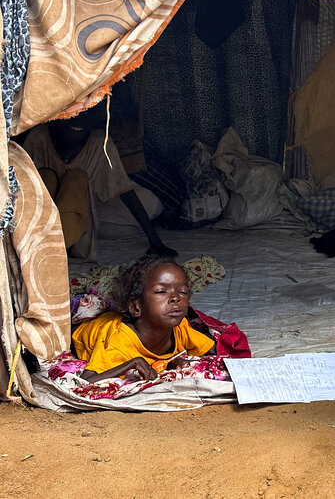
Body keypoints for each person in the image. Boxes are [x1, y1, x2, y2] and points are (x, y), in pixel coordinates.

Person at [22, 115, 176, 259]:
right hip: (43, 221)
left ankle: (68, 242)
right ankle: (50, 245)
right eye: (71, 113)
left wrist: (155, 241)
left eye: (85, 112)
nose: (78, 119)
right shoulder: (39, 137)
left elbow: (125, 191)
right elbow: (21, 193)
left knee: (149, 205)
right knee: (56, 178)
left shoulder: (98, 142)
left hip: (84, 213)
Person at [73, 256, 216, 383]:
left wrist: (172, 362)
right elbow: (87, 379)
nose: (176, 298)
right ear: (136, 307)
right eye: (161, 291)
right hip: (83, 329)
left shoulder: (180, 328)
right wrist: (133, 363)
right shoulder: (118, 341)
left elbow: (216, 351)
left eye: (182, 292)